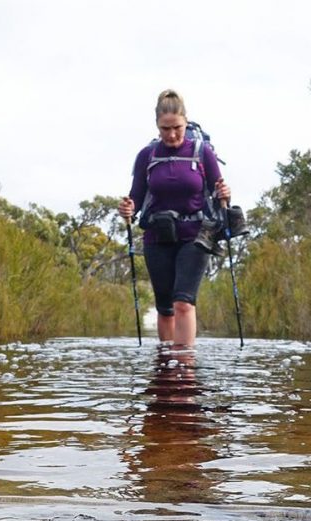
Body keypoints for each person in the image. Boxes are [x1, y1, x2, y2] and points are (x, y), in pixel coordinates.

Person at [119, 89, 230, 347]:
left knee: (183, 302)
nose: (171, 134)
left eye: (177, 128)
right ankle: (166, 371)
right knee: (165, 308)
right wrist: (128, 209)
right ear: (157, 126)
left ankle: (184, 366)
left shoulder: (203, 153)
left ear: (186, 121)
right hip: (157, 237)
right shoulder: (147, 156)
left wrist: (225, 193)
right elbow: (136, 197)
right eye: (164, 128)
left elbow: (219, 192)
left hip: (196, 236)